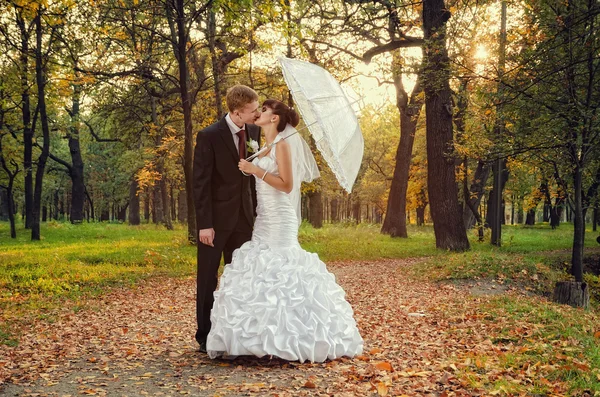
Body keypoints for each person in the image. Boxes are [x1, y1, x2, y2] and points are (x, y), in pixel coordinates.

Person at [206, 99, 363, 363]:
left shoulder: (283, 146)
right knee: (259, 269)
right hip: (264, 218)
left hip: (280, 216)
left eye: (264, 110)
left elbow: (287, 185)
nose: (260, 113)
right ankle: (256, 341)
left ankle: (291, 339)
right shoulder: (266, 146)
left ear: (275, 118)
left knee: (282, 269)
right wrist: (253, 165)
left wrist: (255, 170)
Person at [193, 85, 262, 353]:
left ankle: (235, 336)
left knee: (238, 280)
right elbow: (201, 183)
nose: (257, 114)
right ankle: (204, 336)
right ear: (236, 112)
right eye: (253, 110)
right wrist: (204, 224)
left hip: (244, 220)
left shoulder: (254, 132)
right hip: (215, 222)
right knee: (208, 279)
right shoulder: (209, 136)